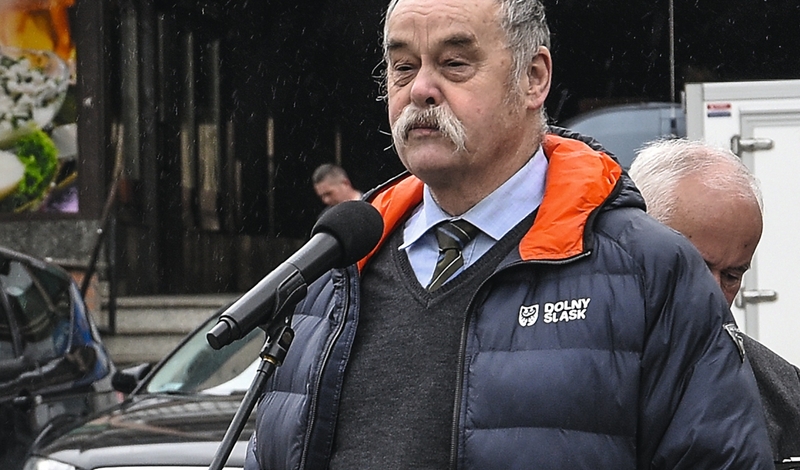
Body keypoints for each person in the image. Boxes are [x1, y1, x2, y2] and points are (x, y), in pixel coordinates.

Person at [244, 0, 773, 468]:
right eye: (403, 66)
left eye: (454, 63)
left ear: (533, 78)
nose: (421, 89)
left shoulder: (651, 273)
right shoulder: (333, 277)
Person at [630, 138, 800, 463]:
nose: (713, 296)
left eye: (732, 276)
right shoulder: (565, 376)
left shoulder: (784, 393)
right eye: (694, 267)